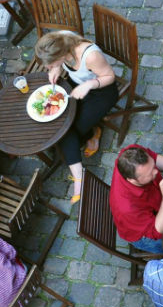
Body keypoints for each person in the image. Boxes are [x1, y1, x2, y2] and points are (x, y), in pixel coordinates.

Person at [35, 31, 119, 203]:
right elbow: (60, 63)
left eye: (51, 64)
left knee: (68, 130)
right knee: (61, 120)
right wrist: (57, 68)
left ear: (62, 54)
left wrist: (89, 84)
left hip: (101, 92)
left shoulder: (90, 56)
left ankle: (79, 178)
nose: (48, 68)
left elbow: (110, 76)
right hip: (78, 85)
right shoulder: (60, 39)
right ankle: (91, 134)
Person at [109, 144, 163, 254]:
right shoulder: (127, 207)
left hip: (157, 195)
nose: (156, 171)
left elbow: (155, 158)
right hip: (146, 235)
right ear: (133, 180)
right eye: (150, 173)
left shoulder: (130, 155)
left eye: (153, 166)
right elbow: (158, 231)